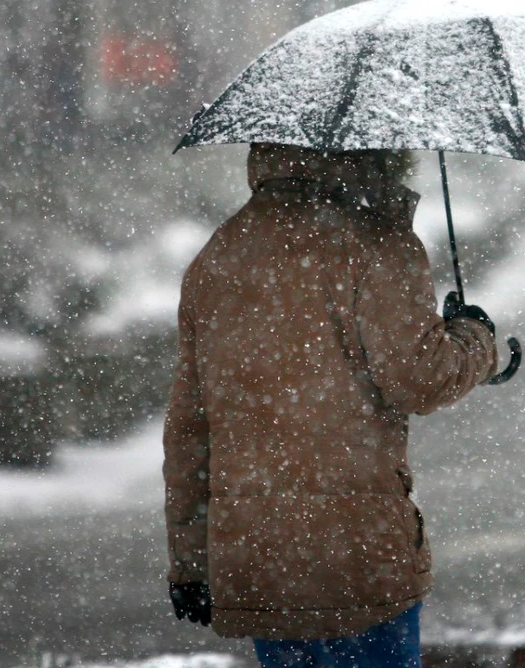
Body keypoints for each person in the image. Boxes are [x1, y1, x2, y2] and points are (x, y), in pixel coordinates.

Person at [163, 143, 498, 667]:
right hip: (359, 555)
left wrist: (190, 562)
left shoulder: (220, 254)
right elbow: (422, 379)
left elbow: (190, 428)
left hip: (260, 556)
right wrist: (475, 336)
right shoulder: (378, 244)